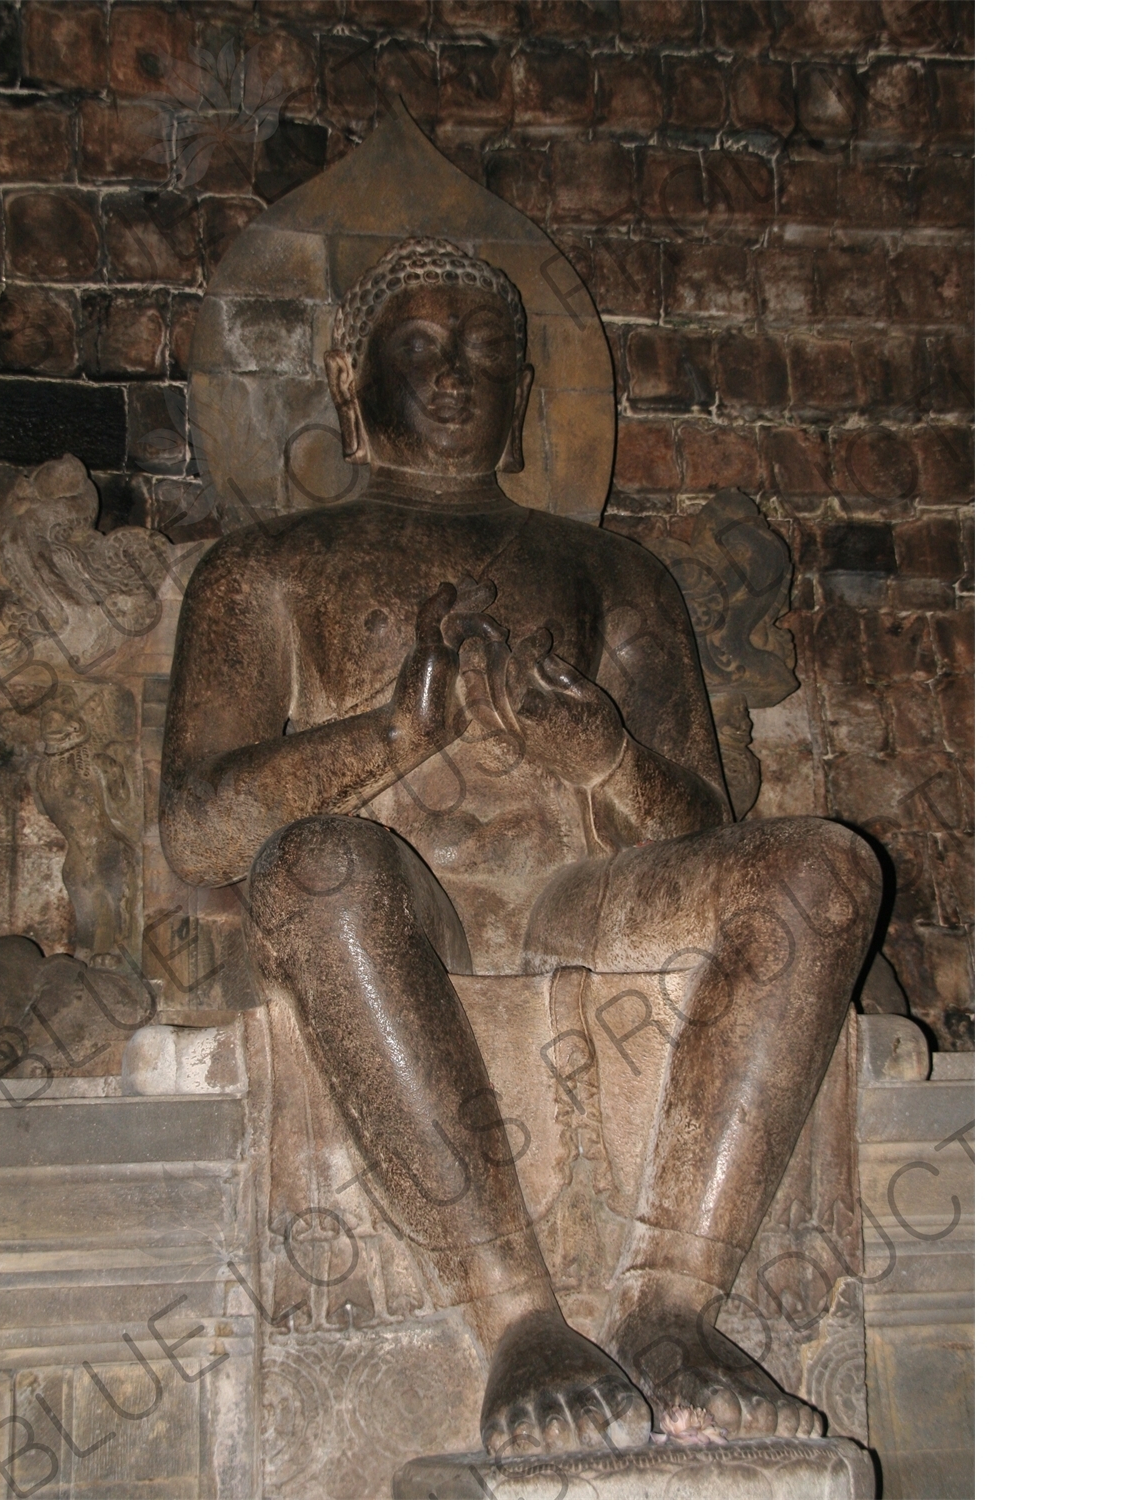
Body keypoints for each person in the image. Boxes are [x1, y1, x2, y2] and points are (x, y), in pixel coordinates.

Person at [161, 239, 880, 1455]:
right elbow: (197, 830)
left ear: (528, 394)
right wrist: (393, 733)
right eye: (422, 349)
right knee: (318, 864)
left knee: (822, 871)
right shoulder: (267, 570)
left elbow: (707, 831)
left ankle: (673, 1305)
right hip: (392, 894)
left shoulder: (612, 570)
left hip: (581, 895)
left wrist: (601, 755)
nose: (457, 375)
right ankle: (518, 1320)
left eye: (489, 352)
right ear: (351, 382)